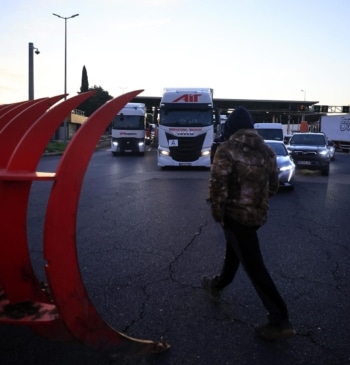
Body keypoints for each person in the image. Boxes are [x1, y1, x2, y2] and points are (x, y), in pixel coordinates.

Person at [202, 106, 295, 341]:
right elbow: (274, 186)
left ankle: (279, 318)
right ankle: (217, 284)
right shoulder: (267, 151)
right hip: (255, 217)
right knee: (235, 253)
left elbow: (218, 186)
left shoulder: (227, 149)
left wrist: (219, 214)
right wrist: (256, 203)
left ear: (231, 127)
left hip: (234, 217)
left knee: (254, 266)